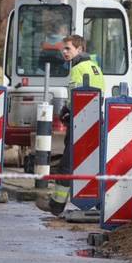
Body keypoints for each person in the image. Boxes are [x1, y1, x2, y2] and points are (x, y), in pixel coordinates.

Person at [48, 35, 106, 215]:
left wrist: (66, 111)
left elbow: (76, 98)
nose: (64, 52)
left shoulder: (77, 69)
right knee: (96, 163)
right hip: (95, 120)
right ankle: (99, 202)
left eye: (68, 48)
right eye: (63, 49)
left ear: (79, 49)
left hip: (80, 122)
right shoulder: (95, 67)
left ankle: (56, 205)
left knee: (66, 164)